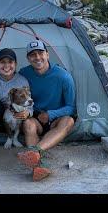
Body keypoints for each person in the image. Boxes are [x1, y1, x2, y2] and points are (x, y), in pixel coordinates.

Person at [16, 39, 76, 181]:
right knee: (27, 124)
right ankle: (38, 167)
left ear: (47, 55)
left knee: (69, 121)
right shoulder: (24, 74)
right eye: (32, 55)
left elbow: (71, 107)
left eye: (40, 53)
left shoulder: (63, 76)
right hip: (36, 117)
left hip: (56, 119)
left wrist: (51, 114)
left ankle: (34, 151)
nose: (37, 57)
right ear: (28, 59)